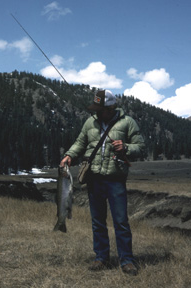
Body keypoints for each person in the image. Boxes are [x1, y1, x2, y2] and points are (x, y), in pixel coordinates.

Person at [60, 89, 144, 275]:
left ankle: (127, 261)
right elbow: (80, 143)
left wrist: (126, 147)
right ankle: (101, 258)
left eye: (101, 109)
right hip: (94, 178)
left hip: (116, 179)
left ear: (112, 107)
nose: (97, 112)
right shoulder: (90, 122)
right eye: (96, 108)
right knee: (97, 221)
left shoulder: (128, 122)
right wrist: (69, 155)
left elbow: (141, 147)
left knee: (121, 221)